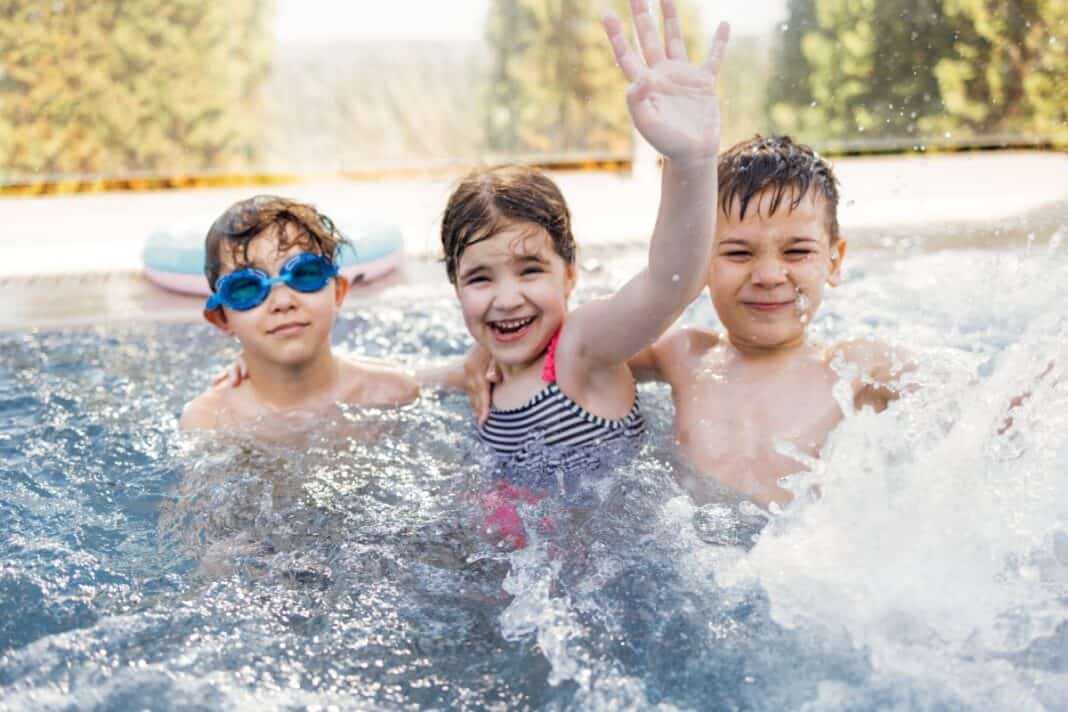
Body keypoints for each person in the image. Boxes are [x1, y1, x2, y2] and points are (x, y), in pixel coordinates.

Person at [467, 135, 912, 508]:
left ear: (834, 260)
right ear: (701, 264)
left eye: (797, 252)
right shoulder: (684, 354)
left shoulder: (858, 368)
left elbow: (951, 411)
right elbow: (564, 348)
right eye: (738, 253)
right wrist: (485, 352)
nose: (769, 275)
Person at [442, 0, 730, 501]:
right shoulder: (481, 375)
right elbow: (404, 383)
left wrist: (691, 161)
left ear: (569, 275)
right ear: (455, 287)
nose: (506, 298)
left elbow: (670, 285)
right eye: (480, 278)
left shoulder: (581, 350)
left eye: (530, 270)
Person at [179, 195, 421, 432]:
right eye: (246, 287)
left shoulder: (393, 394)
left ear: (338, 292)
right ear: (222, 318)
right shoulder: (208, 422)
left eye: (305, 274)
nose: (283, 302)